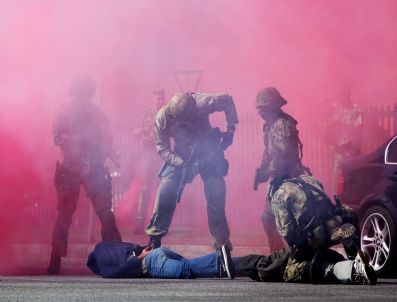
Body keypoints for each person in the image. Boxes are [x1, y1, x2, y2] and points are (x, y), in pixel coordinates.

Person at [145, 92, 238, 259]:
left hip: (208, 153)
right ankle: (154, 238)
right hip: (181, 157)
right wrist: (179, 162)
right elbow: (162, 147)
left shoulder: (203, 102)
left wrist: (230, 130)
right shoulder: (162, 118)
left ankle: (222, 245)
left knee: (216, 195)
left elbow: (228, 101)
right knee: (166, 190)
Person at [47, 74, 122, 274]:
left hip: (93, 167)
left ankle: (118, 258)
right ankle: (55, 260)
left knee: (106, 214)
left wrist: (106, 150)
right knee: (64, 216)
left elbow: (108, 141)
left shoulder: (98, 114)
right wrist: (79, 137)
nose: (83, 98)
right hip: (71, 168)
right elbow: (57, 138)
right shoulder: (63, 112)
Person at [253, 87, 307, 252]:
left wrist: (269, 171)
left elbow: (283, 154)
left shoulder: (281, 124)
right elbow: (268, 152)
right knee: (270, 218)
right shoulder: (269, 126)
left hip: (288, 178)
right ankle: (278, 254)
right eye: (258, 108)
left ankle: (288, 254)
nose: (259, 111)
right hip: (278, 178)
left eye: (261, 107)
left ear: (271, 106)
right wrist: (261, 171)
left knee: (278, 218)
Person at [87, 241, 235, 279]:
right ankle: (219, 260)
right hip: (158, 253)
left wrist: (141, 256)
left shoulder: (103, 265)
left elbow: (123, 269)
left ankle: (219, 264)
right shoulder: (107, 247)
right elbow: (134, 248)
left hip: (151, 264)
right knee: (188, 264)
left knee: (186, 270)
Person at [133, 89, 166, 233]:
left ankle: (160, 224)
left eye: (161, 98)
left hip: (162, 154)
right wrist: (142, 131)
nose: (159, 101)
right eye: (157, 98)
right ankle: (139, 223)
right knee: (145, 188)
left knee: (162, 190)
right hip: (148, 154)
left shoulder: (168, 113)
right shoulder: (146, 114)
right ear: (153, 99)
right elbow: (135, 132)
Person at [323, 85, 363, 193]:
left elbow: (359, 130)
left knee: (352, 176)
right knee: (337, 176)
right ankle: (337, 200)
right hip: (338, 150)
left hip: (351, 150)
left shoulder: (356, 110)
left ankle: (352, 201)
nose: (339, 97)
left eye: (341, 94)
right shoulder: (335, 109)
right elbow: (328, 128)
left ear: (347, 95)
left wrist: (353, 146)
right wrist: (331, 141)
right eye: (338, 95)